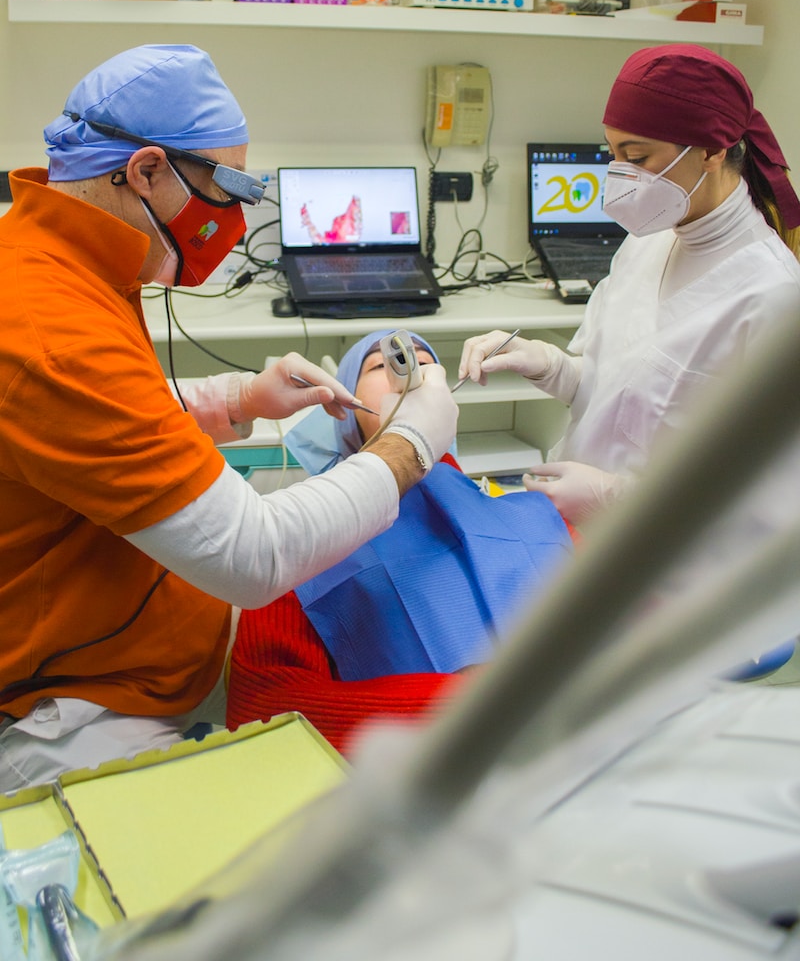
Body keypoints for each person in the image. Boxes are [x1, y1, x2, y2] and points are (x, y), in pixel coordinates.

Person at [0, 45, 458, 792]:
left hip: (148, 643)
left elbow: (87, 428)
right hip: (76, 703)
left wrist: (237, 400)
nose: (236, 224)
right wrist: (409, 445)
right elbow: (254, 557)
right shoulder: (51, 327)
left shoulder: (54, 253)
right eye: (226, 192)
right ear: (145, 170)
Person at [459, 43, 800, 525]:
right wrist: (550, 365)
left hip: (670, 569)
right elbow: (617, 393)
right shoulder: (650, 241)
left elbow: (770, 498)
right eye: (613, 154)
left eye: (637, 157)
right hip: (575, 537)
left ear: (712, 150)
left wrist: (618, 496)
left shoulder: (773, 297)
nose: (621, 177)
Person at [226, 330, 574, 754]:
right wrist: (462, 703)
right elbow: (263, 709)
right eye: (379, 365)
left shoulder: (537, 514)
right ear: (345, 413)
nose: (412, 371)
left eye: (426, 363)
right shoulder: (302, 546)